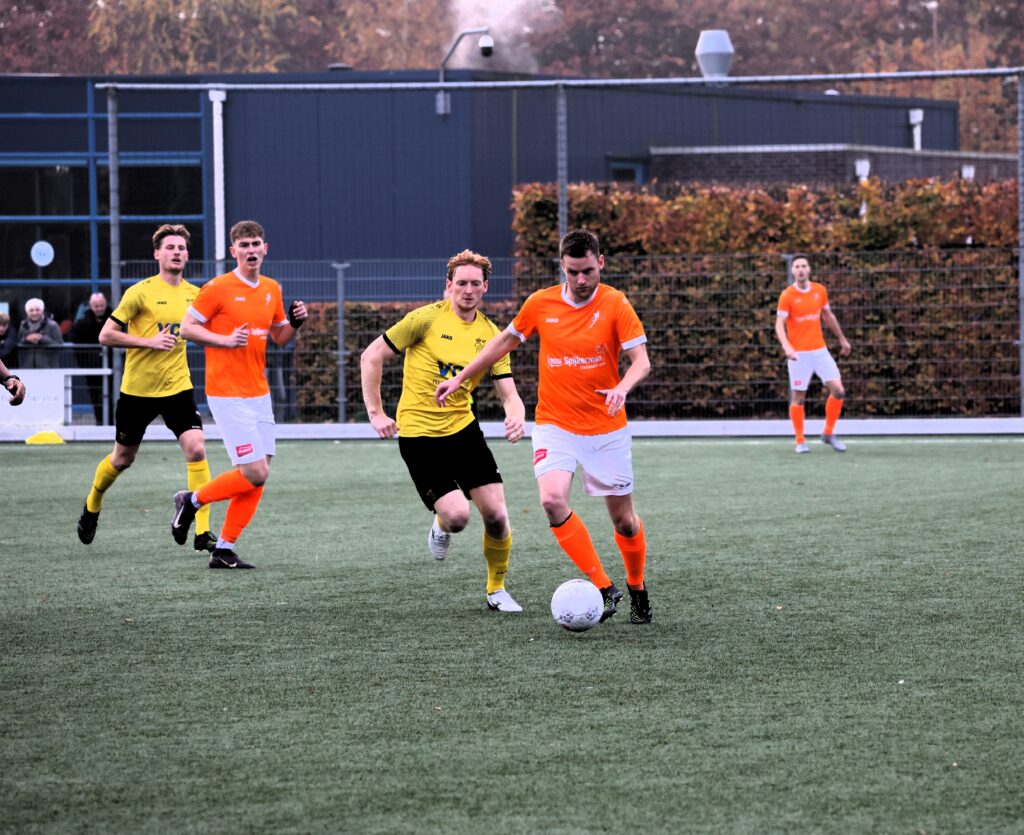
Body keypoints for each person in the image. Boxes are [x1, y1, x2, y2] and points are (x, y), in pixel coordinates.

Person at [435, 229, 653, 625]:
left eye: (588, 271)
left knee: (624, 521)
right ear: (562, 268)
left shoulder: (615, 303)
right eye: (573, 272)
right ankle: (605, 587)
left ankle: (637, 587)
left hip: (606, 428)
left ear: (601, 263)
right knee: (552, 501)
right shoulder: (541, 303)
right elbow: (501, 343)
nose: (581, 280)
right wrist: (461, 378)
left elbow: (641, 361)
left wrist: (622, 388)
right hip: (555, 424)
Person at [360, 249, 527, 613]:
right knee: (458, 517)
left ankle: (496, 589)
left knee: (497, 516)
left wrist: (516, 415)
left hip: (464, 432)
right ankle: (442, 523)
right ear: (448, 285)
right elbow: (371, 356)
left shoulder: (492, 335)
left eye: (475, 284)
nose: (468, 290)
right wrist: (376, 413)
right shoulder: (424, 319)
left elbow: (509, 393)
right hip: (419, 436)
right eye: (461, 283)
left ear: (485, 287)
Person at [171, 220, 308, 569]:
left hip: (259, 393)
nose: (251, 249)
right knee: (255, 472)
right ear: (234, 251)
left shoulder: (272, 289)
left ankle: (223, 549)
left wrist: (295, 322)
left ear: (265, 248)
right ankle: (192, 501)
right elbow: (186, 328)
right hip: (226, 393)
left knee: (258, 475)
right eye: (244, 245)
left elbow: (280, 338)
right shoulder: (217, 288)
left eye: (255, 243)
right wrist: (225, 340)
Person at [76, 224, 217, 552]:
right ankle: (93, 503)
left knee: (197, 448)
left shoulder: (197, 295)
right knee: (122, 459)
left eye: (181, 248)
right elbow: (106, 335)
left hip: (178, 388)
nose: (177, 252)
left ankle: (202, 531)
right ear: (157, 254)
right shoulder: (139, 292)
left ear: (187, 254)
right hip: (137, 391)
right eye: (170, 247)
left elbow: (215, 328)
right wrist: (148, 342)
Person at [774, 255, 852, 454]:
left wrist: (842, 339)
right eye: (797, 266)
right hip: (799, 355)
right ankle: (800, 440)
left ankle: (828, 433)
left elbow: (828, 315)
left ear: (809, 269)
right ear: (792, 271)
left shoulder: (819, 290)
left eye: (803, 266)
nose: (800, 269)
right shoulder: (787, 295)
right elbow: (779, 324)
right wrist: (787, 347)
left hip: (820, 351)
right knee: (798, 397)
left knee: (838, 391)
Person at [68, 292, 113, 424]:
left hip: (113, 365)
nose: (99, 308)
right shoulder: (82, 323)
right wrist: (84, 363)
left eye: (101, 306)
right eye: (96, 306)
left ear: (106, 304)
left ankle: (112, 422)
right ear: (91, 306)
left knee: (113, 395)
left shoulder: (115, 320)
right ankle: (100, 421)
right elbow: (76, 344)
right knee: (96, 395)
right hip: (91, 367)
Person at [17, 298, 63, 368]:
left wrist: (42, 338)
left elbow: (59, 344)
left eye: (37, 310)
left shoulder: (53, 325)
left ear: (42, 310)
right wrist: (27, 339)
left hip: (48, 367)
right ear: (27, 312)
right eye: (31, 310)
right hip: (27, 367)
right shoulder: (23, 325)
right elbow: (18, 343)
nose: (34, 313)